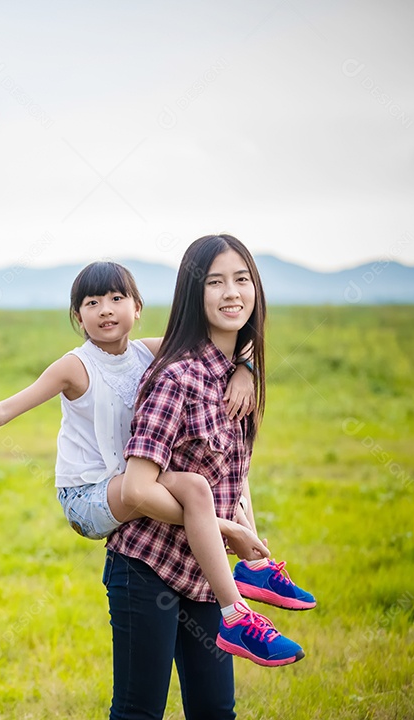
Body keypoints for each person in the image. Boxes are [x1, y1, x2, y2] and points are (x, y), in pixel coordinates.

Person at [0, 261, 312, 667]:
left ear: (137, 308)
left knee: (205, 478)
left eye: (115, 298)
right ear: (78, 317)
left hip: (138, 481)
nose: (105, 309)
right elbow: (2, 411)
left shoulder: (150, 353)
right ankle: (236, 605)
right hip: (88, 496)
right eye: (91, 303)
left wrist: (244, 369)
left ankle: (256, 570)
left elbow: (230, 340)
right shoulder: (75, 367)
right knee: (193, 492)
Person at [110, 234, 305, 718]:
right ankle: (243, 602)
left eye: (242, 279)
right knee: (139, 712)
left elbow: (233, 477)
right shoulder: (176, 377)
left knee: (216, 711)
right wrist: (228, 530)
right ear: (194, 295)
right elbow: (136, 489)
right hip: (147, 567)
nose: (231, 293)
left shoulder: (241, 376)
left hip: (206, 575)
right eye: (215, 282)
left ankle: (253, 581)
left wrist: (244, 367)